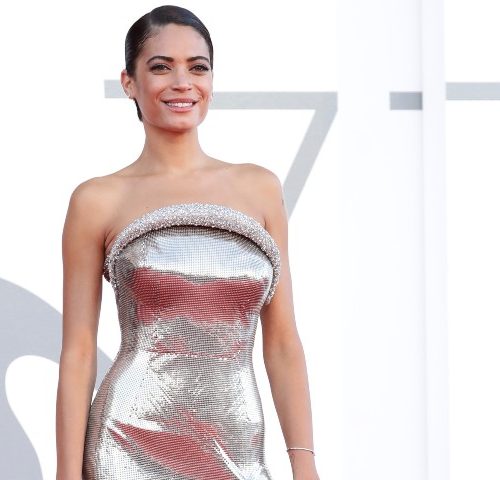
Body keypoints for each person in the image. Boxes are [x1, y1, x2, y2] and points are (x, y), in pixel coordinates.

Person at [55, 5, 319, 480]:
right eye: (161, 67)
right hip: (126, 442)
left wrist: (305, 464)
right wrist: (66, 475)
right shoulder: (97, 200)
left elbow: (282, 343)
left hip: (238, 442)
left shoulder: (259, 188)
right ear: (129, 83)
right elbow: (78, 353)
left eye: (198, 68)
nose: (182, 83)